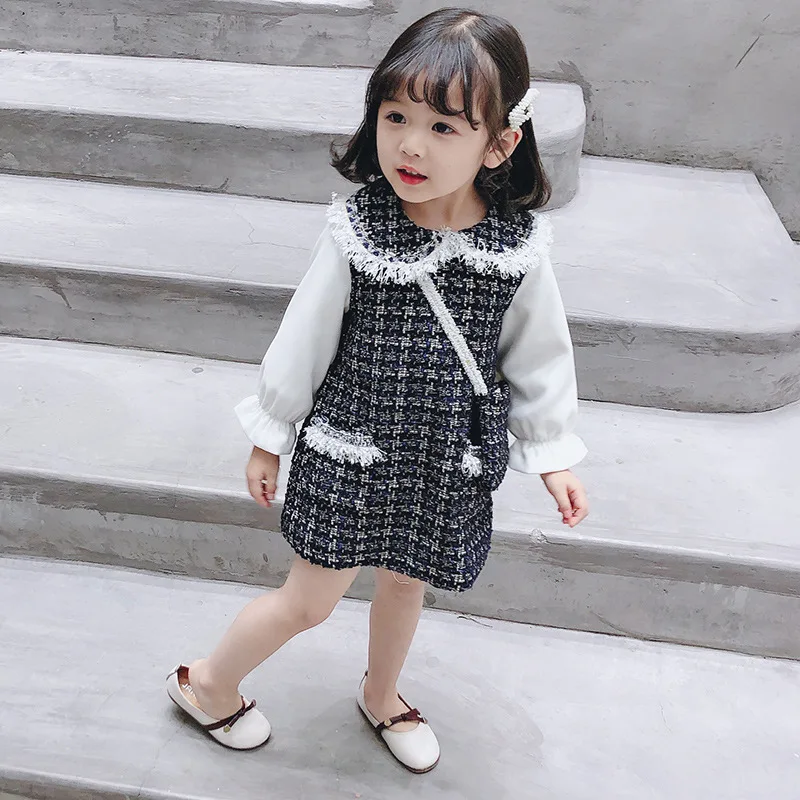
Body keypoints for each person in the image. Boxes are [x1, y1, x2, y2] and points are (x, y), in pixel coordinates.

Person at [166, 7, 589, 773]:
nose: (410, 145)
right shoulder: (360, 231)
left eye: (443, 127)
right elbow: (304, 337)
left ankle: (382, 692)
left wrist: (551, 451)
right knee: (309, 599)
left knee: (404, 582)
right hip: (353, 452)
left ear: (501, 143)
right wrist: (271, 433)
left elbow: (539, 354)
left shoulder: (517, 248)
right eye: (396, 116)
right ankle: (208, 683)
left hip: (442, 461)